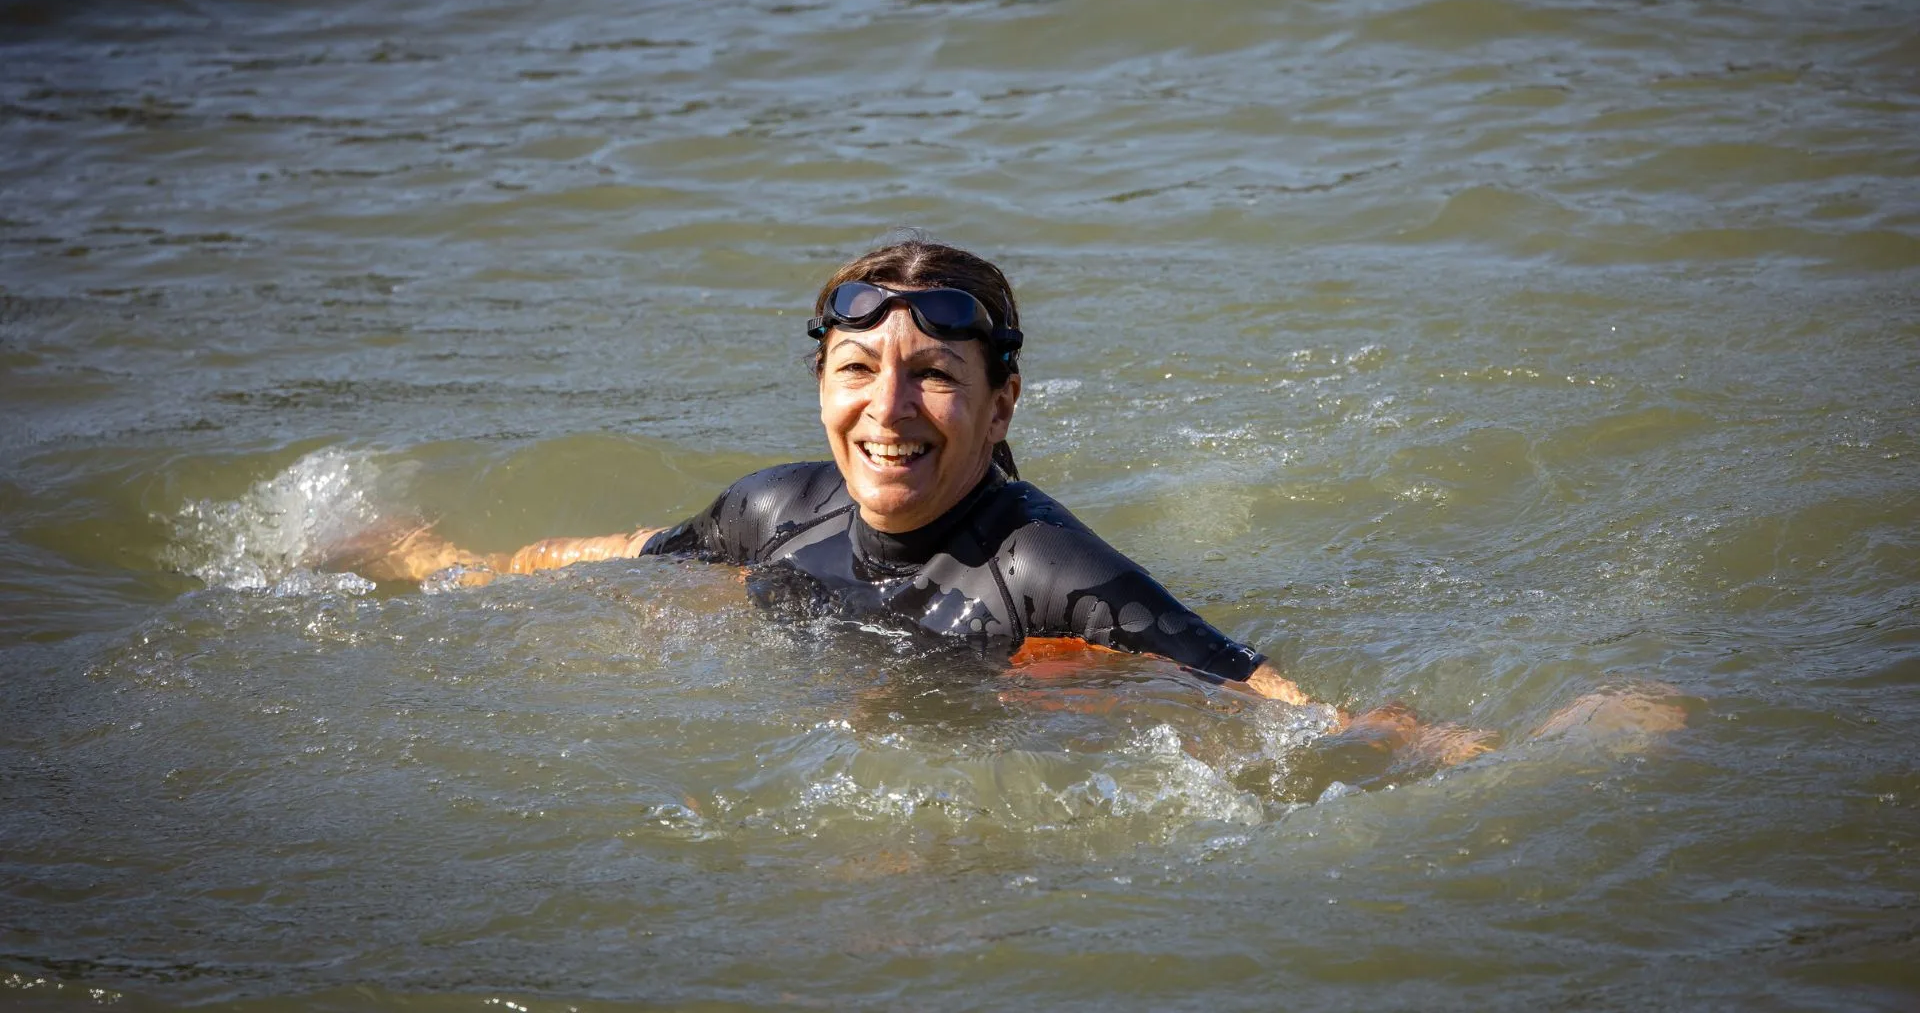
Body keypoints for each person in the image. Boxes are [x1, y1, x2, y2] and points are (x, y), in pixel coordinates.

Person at [346, 238, 1682, 754]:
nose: (888, 409)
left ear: (1002, 406)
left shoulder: (1049, 573)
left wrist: (1529, 750)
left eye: (935, 378)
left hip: (1012, 705)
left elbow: (1281, 707)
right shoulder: (779, 507)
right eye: (860, 369)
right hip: (842, 656)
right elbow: (620, 553)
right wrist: (432, 562)